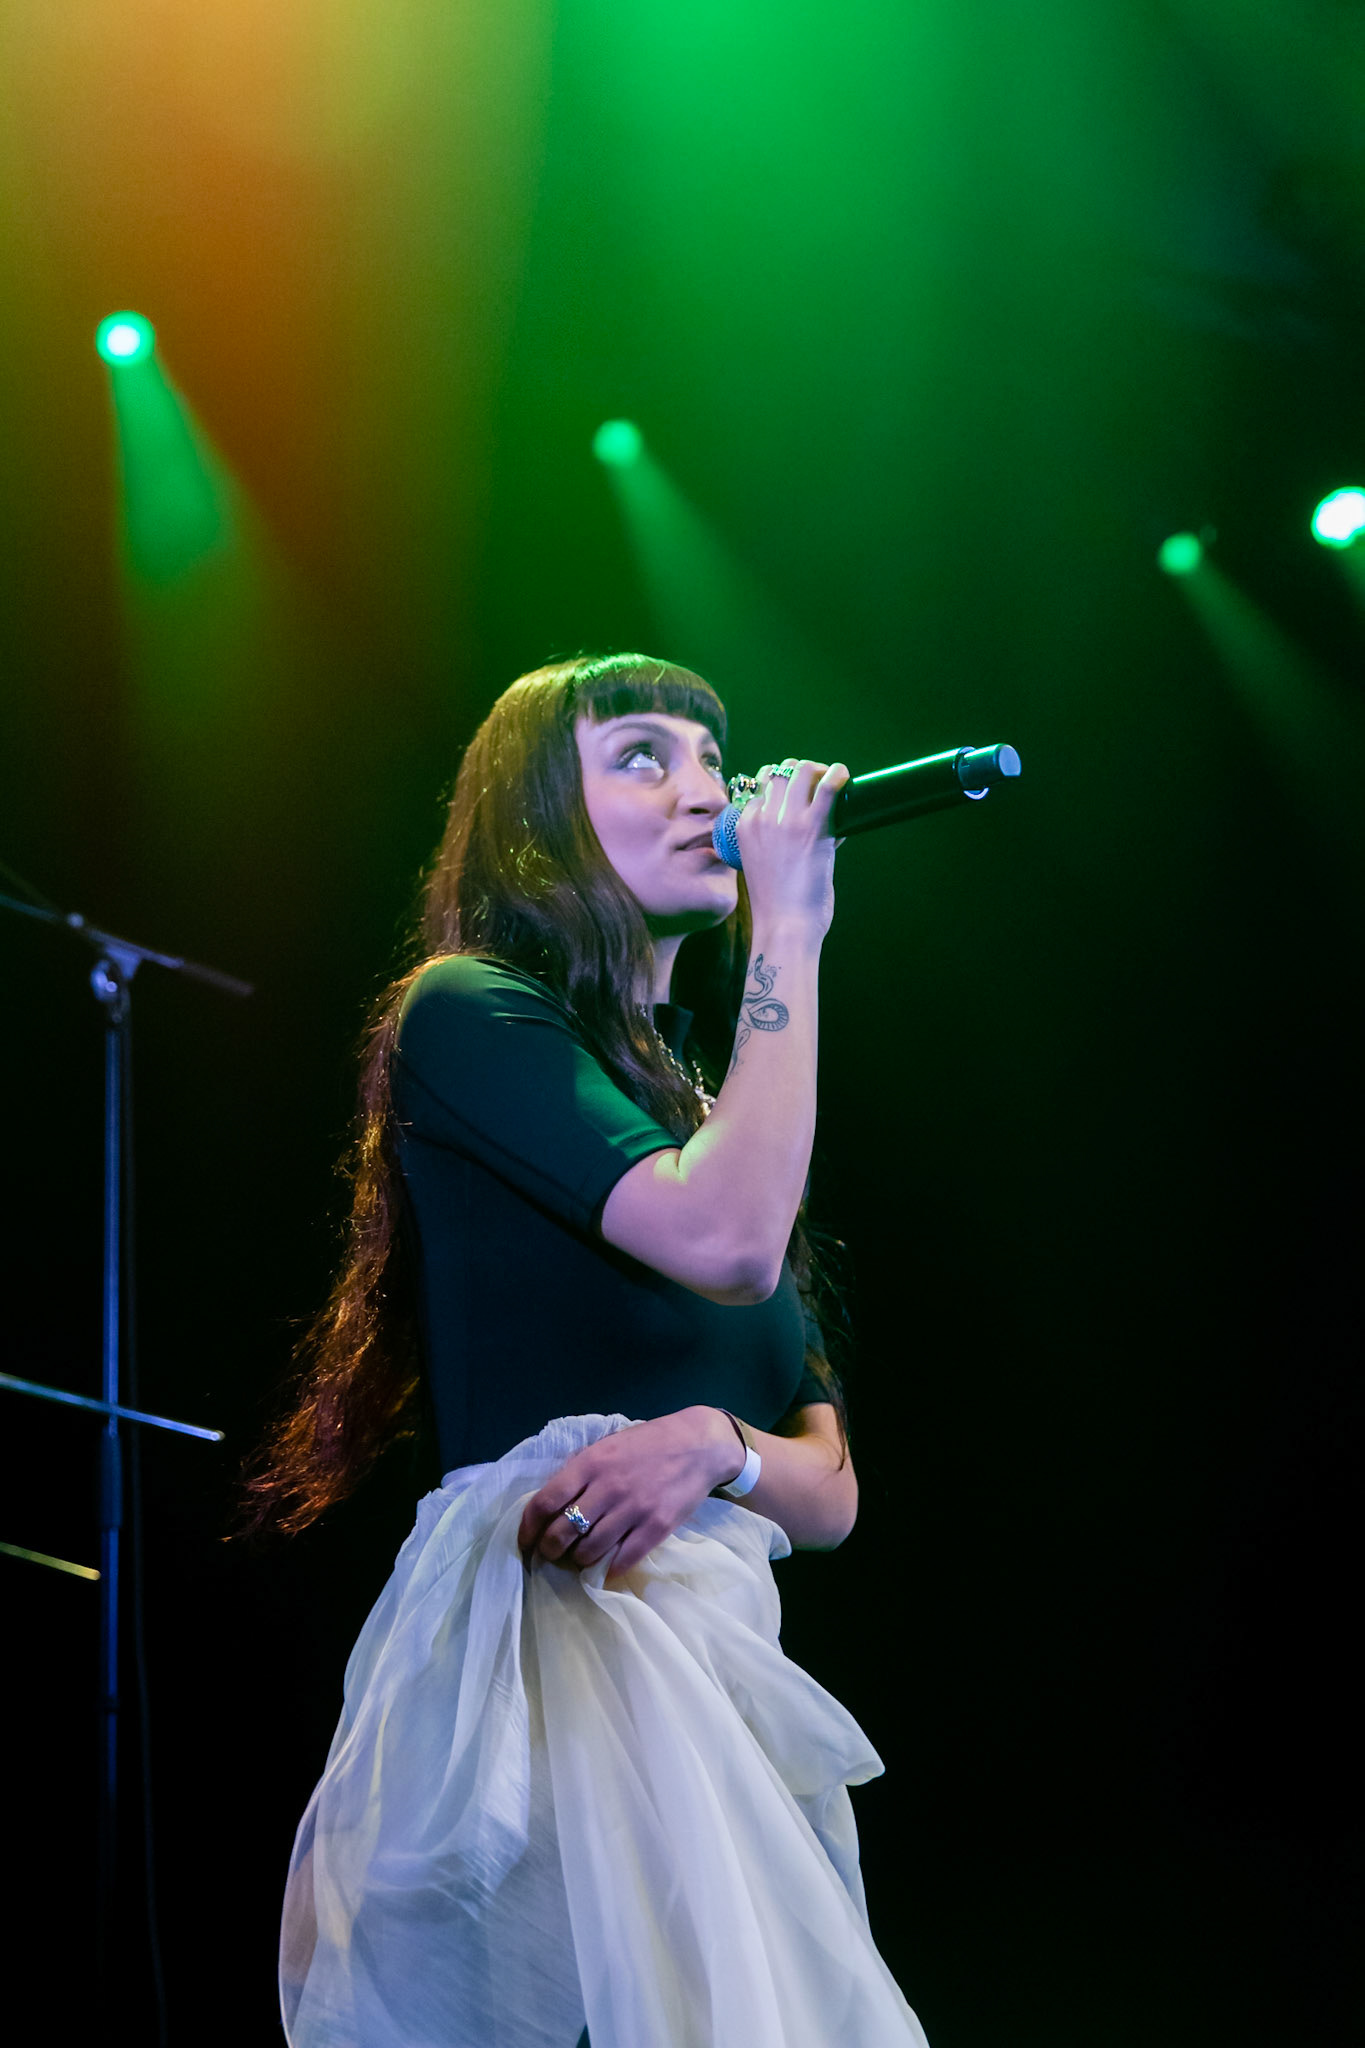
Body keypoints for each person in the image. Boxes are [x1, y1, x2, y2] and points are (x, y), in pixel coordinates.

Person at [244, 653, 929, 2046]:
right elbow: (724, 1241)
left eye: (707, 754)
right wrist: (789, 935)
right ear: (531, 816)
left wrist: (713, 1447)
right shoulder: (471, 1010)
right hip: (551, 1652)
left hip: (711, 1672)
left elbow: (830, 1483)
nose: (701, 790)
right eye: (639, 755)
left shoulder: (709, 1105)